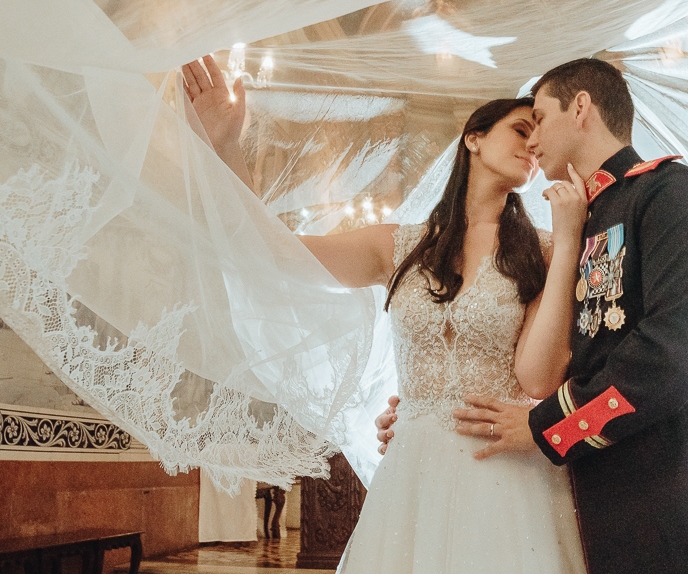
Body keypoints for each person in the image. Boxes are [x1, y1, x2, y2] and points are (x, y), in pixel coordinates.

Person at [180, 54, 589, 574]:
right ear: (474, 138)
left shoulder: (547, 250)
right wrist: (225, 147)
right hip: (413, 472)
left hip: (504, 469)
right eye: (520, 128)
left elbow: (548, 368)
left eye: (538, 135)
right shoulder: (398, 246)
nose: (532, 146)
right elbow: (273, 253)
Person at [378, 58, 688, 574]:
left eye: (539, 118)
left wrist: (551, 425)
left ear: (581, 107)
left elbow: (676, 350)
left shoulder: (667, 193)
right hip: (588, 489)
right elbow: (577, 350)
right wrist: (428, 409)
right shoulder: (583, 223)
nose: (532, 140)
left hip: (664, 481)